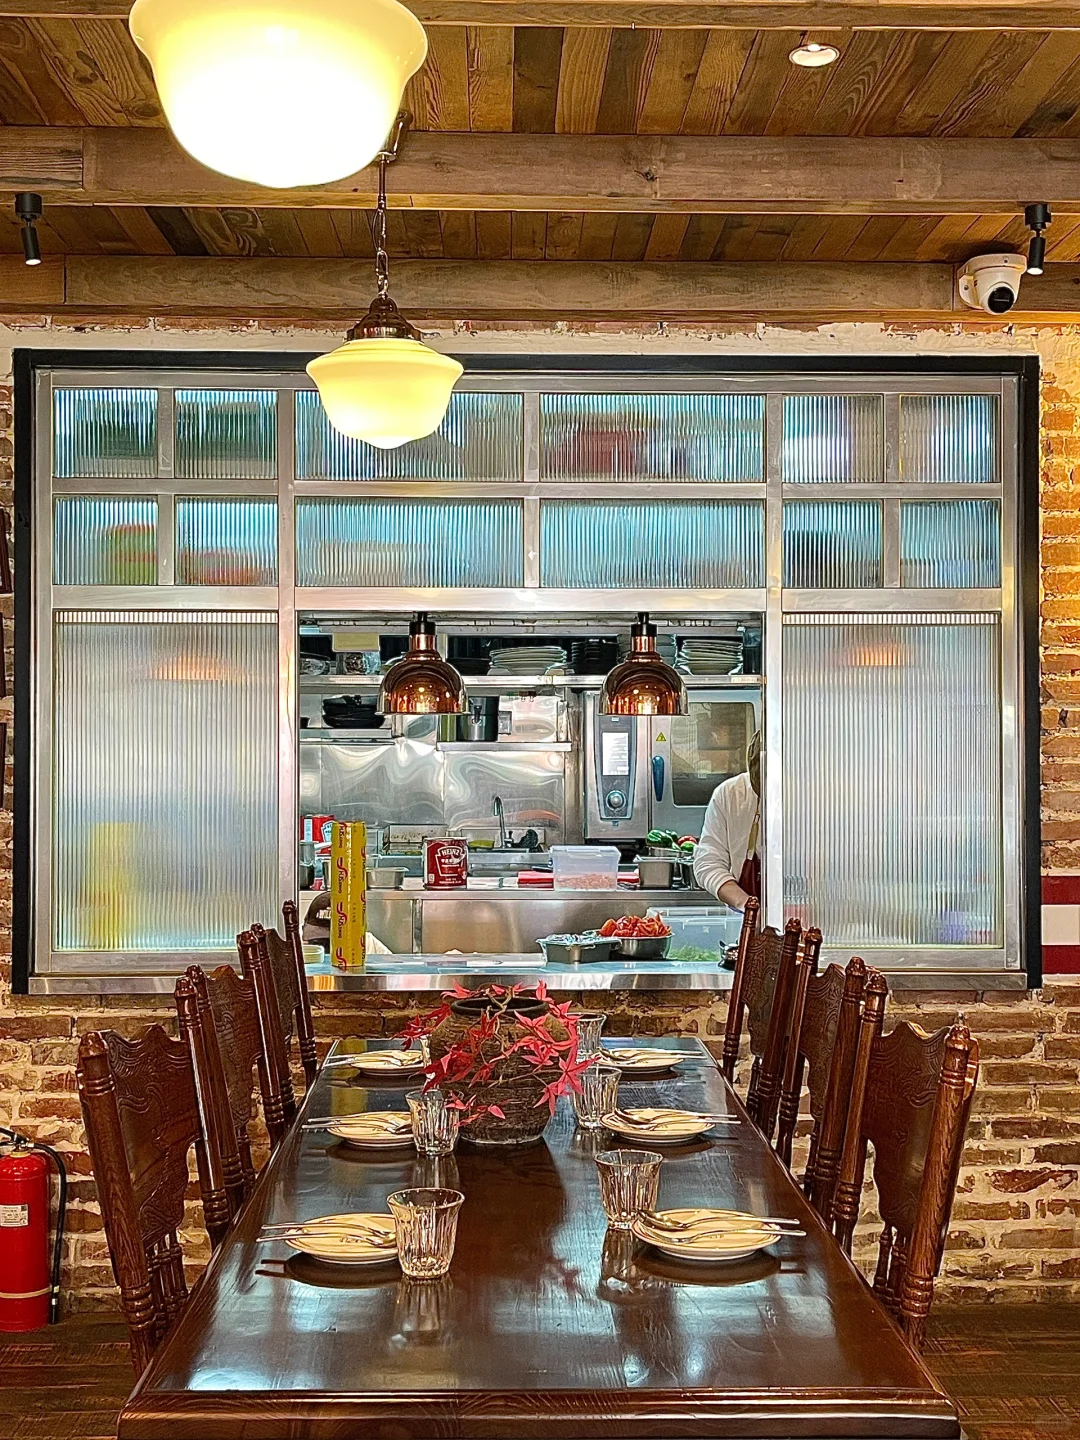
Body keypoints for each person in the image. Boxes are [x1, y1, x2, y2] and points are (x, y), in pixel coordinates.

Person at [693, 729, 760, 910]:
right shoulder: (731, 794)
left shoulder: (817, 799)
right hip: (746, 919)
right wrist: (746, 905)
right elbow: (708, 862)